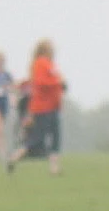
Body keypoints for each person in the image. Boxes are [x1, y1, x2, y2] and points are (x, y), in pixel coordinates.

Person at [7, 39, 66, 176]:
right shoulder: (40, 63)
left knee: (56, 138)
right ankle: (13, 157)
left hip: (53, 106)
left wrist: (60, 84)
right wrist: (57, 82)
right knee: (37, 139)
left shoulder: (50, 64)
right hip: (42, 107)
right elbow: (41, 82)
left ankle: (54, 168)